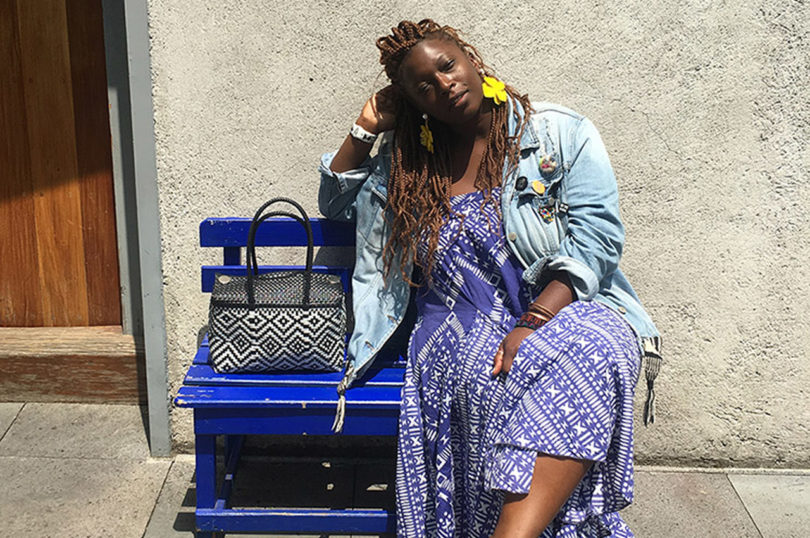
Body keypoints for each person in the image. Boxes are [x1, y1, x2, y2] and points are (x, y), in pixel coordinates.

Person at [318, 19, 661, 538]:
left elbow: (598, 240)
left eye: (448, 66)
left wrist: (535, 319)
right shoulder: (410, 160)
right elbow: (335, 202)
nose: (444, 84)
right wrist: (366, 126)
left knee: (596, 346)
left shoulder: (556, 132)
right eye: (424, 87)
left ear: (472, 60)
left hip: (561, 307)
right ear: (414, 104)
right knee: (500, 382)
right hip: (455, 327)